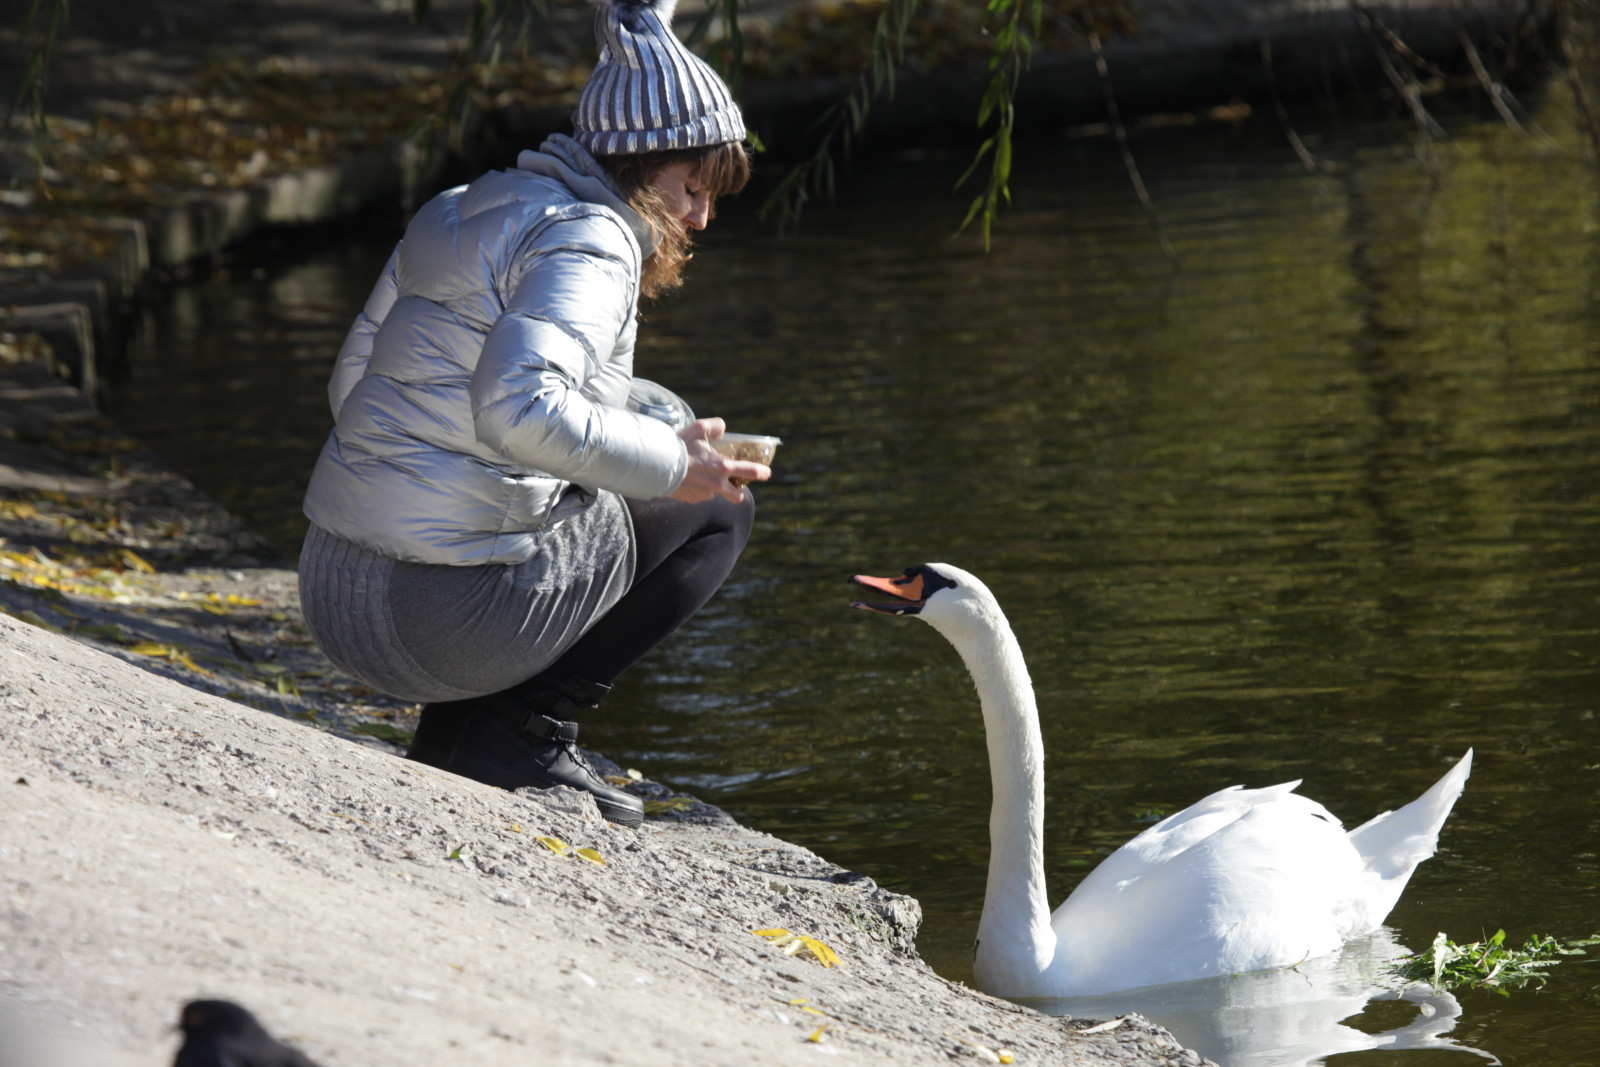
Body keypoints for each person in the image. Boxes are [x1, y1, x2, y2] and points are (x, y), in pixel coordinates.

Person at [296, 0, 768, 829]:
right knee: (719, 503)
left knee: (653, 410)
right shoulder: (593, 239)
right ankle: (517, 729)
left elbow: (352, 387)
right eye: (691, 187)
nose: (702, 216)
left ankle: (466, 725)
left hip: (334, 590)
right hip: (427, 626)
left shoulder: (462, 203)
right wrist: (675, 467)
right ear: (638, 162)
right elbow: (520, 408)